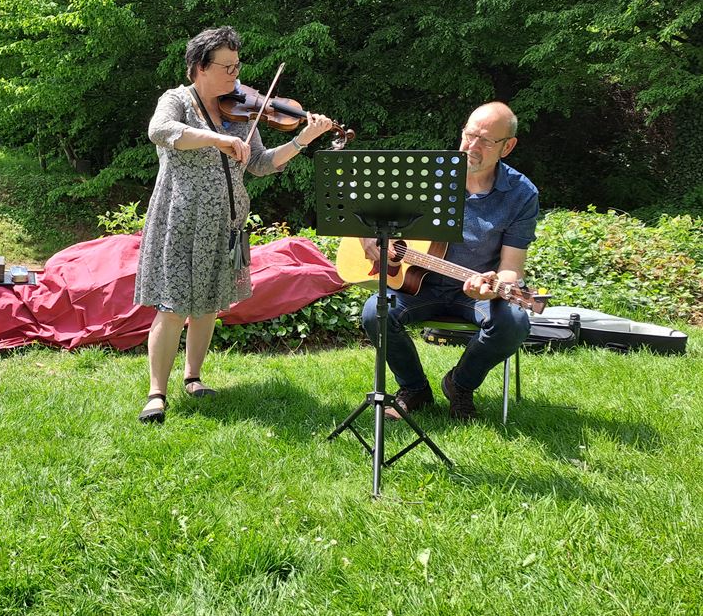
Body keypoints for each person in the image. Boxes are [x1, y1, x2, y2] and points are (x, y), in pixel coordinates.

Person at [133, 26, 335, 423]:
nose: (235, 75)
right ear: (199, 68)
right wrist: (214, 138)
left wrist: (302, 140)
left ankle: (193, 378)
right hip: (180, 218)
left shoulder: (242, 109)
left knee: (208, 303)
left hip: (226, 220)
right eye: (226, 67)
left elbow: (259, 164)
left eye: (237, 66)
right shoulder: (177, 100)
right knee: (173, 306)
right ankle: (157, 392)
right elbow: (160, 131)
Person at [359, 101, 538, 421]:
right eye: (469, 135)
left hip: (474, 292)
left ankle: (460, 384)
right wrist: (367, 235)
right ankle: (415, 389)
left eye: (486, 141)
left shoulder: (521, 194)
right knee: (375, 312)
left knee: (515, 321)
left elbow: (511, 269)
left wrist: (493, 288)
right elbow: (365, 210)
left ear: (507, 147)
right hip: (418, 288)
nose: (472, 146)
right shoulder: (428, 177)